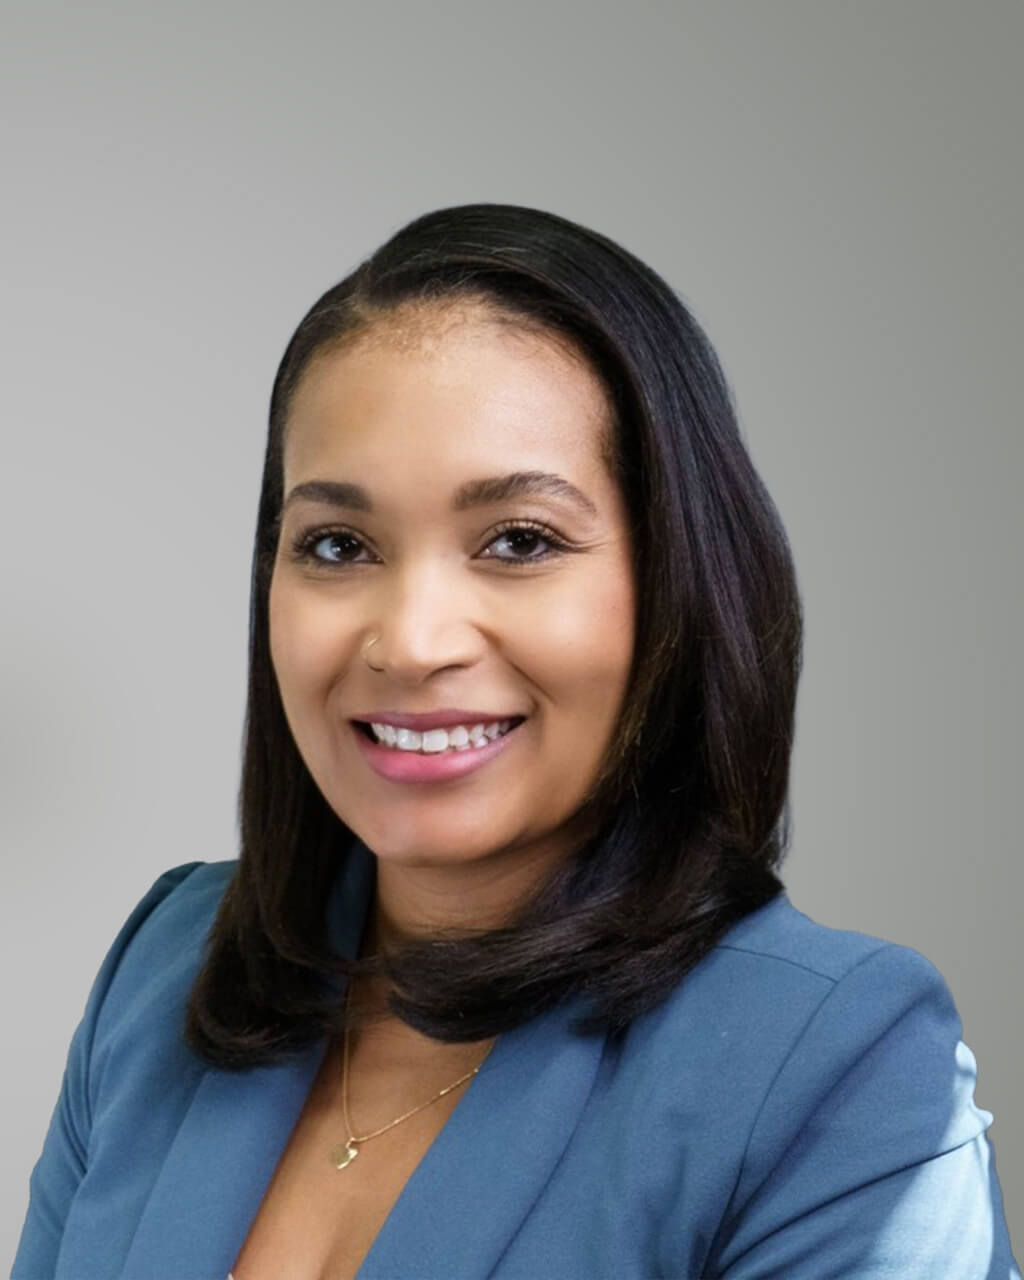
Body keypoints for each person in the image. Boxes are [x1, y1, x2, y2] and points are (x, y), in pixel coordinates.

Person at [13, 203, 1019, 1280]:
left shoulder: (834, 1063)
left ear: (673, 582)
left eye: (519, 539)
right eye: (339, 543)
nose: (409, 640)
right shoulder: (167, 962)